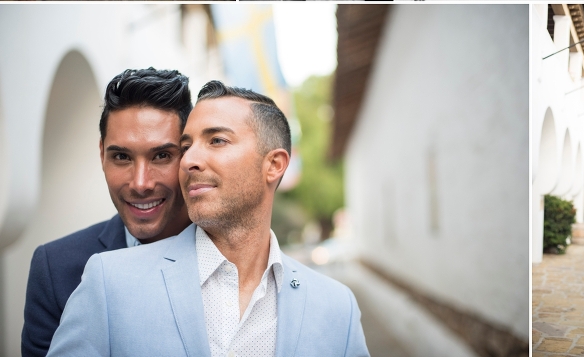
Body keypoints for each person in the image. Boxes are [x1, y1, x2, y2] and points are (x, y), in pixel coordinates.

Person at [47, 82, 369, 357]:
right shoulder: (109, 283)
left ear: (274, 165)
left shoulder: (338, 310)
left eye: (216, 140)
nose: (189, 161)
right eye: (185, 146)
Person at [22, 68, 192, 357]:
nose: (140, 183)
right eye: (122, 157)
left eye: (161, 156)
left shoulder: (229, 255)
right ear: (102, 155)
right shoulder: (55, 269)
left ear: (189, 156)